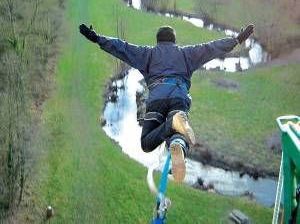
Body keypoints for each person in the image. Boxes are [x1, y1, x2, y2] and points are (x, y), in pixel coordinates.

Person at [79, 23, 254, 182]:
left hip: (157, 100)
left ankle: (173, 126)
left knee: (147, 144)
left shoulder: (147, 54)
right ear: (174, 41)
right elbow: (211, 48)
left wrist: (97, 38)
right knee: (178, 133)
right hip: (179, 97)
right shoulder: (186, 54)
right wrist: (236, 40)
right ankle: (177, 138)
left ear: (158, 41)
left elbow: (121, 47)